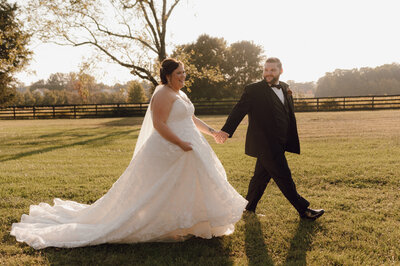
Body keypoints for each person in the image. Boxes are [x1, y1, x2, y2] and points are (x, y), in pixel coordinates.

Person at [11, 58, 247, 249]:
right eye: (179, 74)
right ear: (167, 76)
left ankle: (191, 223)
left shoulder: (181, 94)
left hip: (190, 146)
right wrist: (182, 144)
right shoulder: (163, 94)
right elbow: (159, 125)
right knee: (155, 189)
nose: (183, 77)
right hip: (170, 147)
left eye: (184, 73)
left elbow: (190, 118)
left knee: (190, 184)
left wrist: (212, 132)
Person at [215, 57, 324, 220]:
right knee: (284, 176)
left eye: (272, 70)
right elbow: (239, 110)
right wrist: (226, 131)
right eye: (266, 70)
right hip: (264, 142)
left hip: (280, 141)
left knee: (260, 176)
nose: (268, 73)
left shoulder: (285, 88)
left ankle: (248, 207)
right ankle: (304, 210)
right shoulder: (253, 90)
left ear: (280, 71)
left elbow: (287, 114)